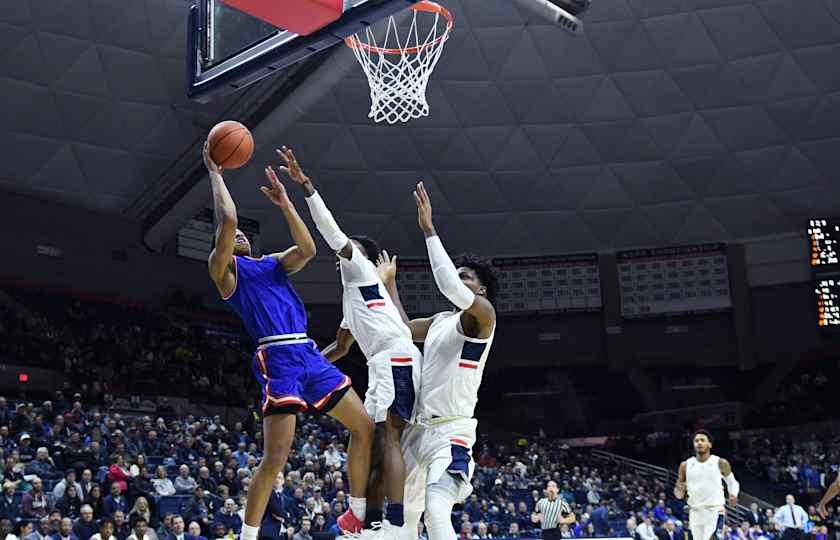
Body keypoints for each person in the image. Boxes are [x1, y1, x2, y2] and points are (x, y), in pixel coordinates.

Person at [203, 145, 373, 540]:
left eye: (245, 231)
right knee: (275, 459)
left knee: (365, 427)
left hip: (308, 352)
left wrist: (284, 202)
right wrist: (216, 172)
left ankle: (357, 514)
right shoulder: (227, 274)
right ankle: (247, 535)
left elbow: (309, 250)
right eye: (232, 236)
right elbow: (227, 218)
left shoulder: (273, 264)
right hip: (276, 354)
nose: (239, 231)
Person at [300, 152, 421, 536]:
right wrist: (305, 371)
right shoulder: (353, 297)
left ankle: (394, 518)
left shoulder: (358, 268)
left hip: (394, 359)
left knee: (387, 437)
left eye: (350, 248)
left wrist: (308, 190)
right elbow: (338, 349)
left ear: (362, 256)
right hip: (385, 362)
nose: (342, 253)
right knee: (364, 432)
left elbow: (332, 233)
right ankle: (360, 514)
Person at [379, 182, 497, 540]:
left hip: (452, 432)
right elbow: (400, 329)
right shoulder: (439, 322)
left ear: (480, 290)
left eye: (467, 276)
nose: (459, 279)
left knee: (436, 509)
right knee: (399, 523)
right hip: (418, 431)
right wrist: (390, 285)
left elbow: (447, 284)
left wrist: (428, 229)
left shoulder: (484, 317)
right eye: (459, 273)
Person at [674, 431, 739, 540]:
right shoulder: (685, 465)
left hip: (714, 509)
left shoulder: (720, 462)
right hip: (695, 511)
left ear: (710, 444)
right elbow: (678, 493)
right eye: (696, 441)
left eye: (702, 440)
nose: (699, 443)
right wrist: (679, 491)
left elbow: (732, 482)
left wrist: (733, 494)